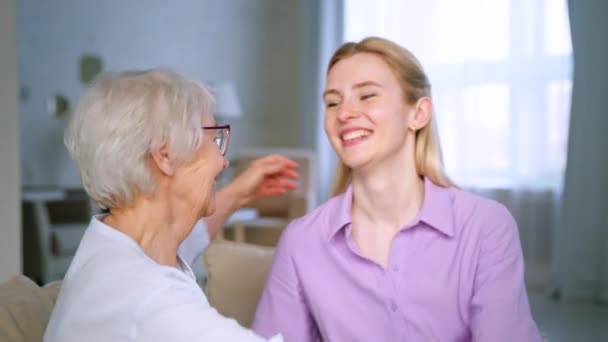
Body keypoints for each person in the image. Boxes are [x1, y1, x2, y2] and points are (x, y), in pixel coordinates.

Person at [252, 37, 542, 341]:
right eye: (333, 102)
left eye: (366, 96)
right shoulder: (301, 242)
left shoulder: (485, 227)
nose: (344, 113)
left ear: (418, 114)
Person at [44, 69, 298, 342]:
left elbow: (185, 239)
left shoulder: (111, 250)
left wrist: (238, 193)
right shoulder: (151, 300)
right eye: (215, 139)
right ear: (164, 154)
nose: (222, 161)